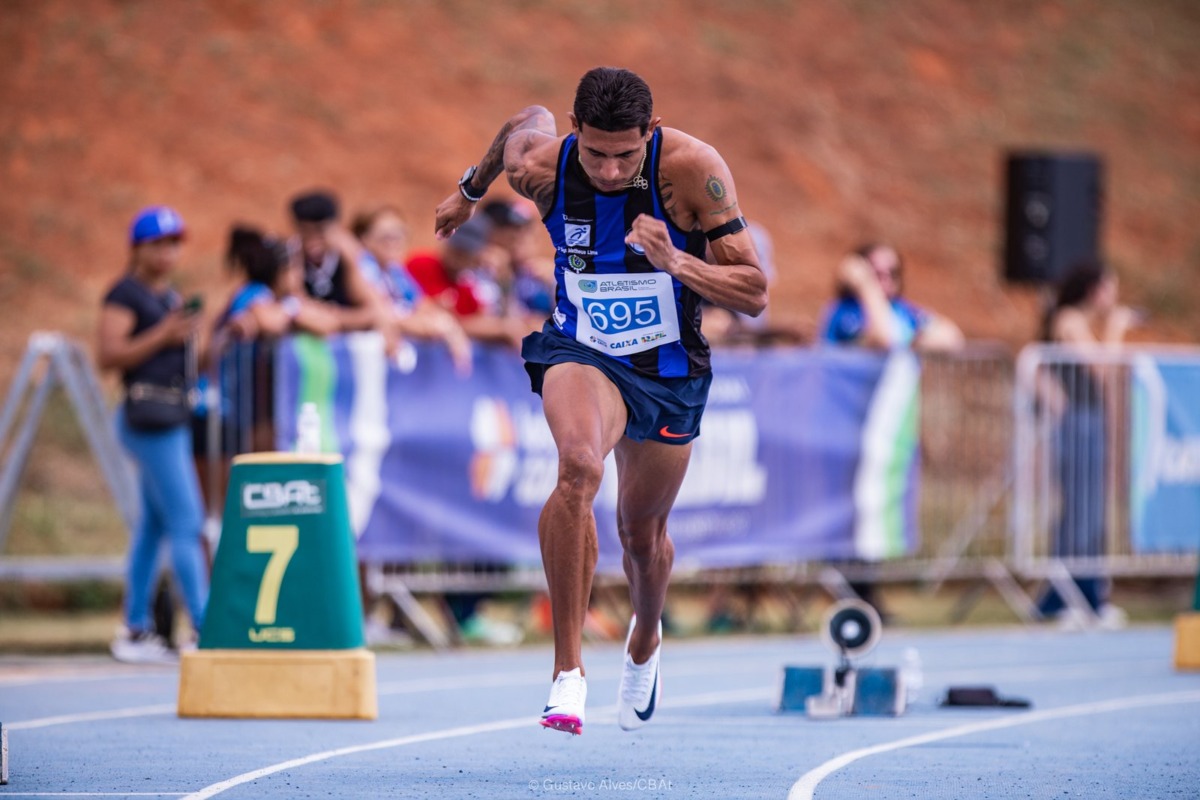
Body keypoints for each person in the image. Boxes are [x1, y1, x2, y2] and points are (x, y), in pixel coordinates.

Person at [434, 66, 768, 734]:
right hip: (581, 350)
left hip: (669, 368)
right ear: (575, 131)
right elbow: (521, 121)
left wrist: (677, 263)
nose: (611, 171)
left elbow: (754, 291)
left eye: (625, 155)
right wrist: (470, 190)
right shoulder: (542, 165)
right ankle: (568, 671)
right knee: (579, 467)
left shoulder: (692, 168)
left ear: (650, 132)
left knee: (641, 538)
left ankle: (646, 633)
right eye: (595, 154)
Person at [96, 206, 209, 663]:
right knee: (187, 521)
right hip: (148, 417)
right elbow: (109, 355)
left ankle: (135, 626)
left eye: (174, 243)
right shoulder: (125, 294)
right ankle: (204, 624)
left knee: (154, 526)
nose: (168, 252)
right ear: (137, 248)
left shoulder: (168, 297)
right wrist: (163, 335)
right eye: (158, 243)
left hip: (172, 414)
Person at [1034, 259, 1135, 629]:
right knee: (1079, 510)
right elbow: (1101, 367)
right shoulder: (1070, 320)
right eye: (1110, 287)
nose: (1114, 296)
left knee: (1093, 510)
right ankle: (1063, 596)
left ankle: (1091, 595)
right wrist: (1116, 331)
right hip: (1078, 424)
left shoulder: (1078, 322)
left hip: (1091, 422)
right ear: (1093, 289)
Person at [350, 204, 473, 375]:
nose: (395, 242)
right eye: (386, 237)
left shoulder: (396, 272)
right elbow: (382, 313)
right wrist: (423, 325)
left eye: (400, 235)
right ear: (364, 238)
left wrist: (447, 326)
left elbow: (421, 305)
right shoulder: (360, 268)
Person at [822, 242, 963, 352]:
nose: (886, 279)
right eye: (878, 273)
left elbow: (952, 339)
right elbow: (882, 340)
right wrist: (867, 287)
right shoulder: (844, 312)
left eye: (893, 273)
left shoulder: (903, 310)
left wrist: (910, 343)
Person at [288, 189, 383, 332]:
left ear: (335, 228)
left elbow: (374, 311)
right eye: (305, 231)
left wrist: (337, 317)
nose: (313, 239)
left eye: (320, 230)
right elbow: (293, 303)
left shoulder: (348, 255)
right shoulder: (292, 255)